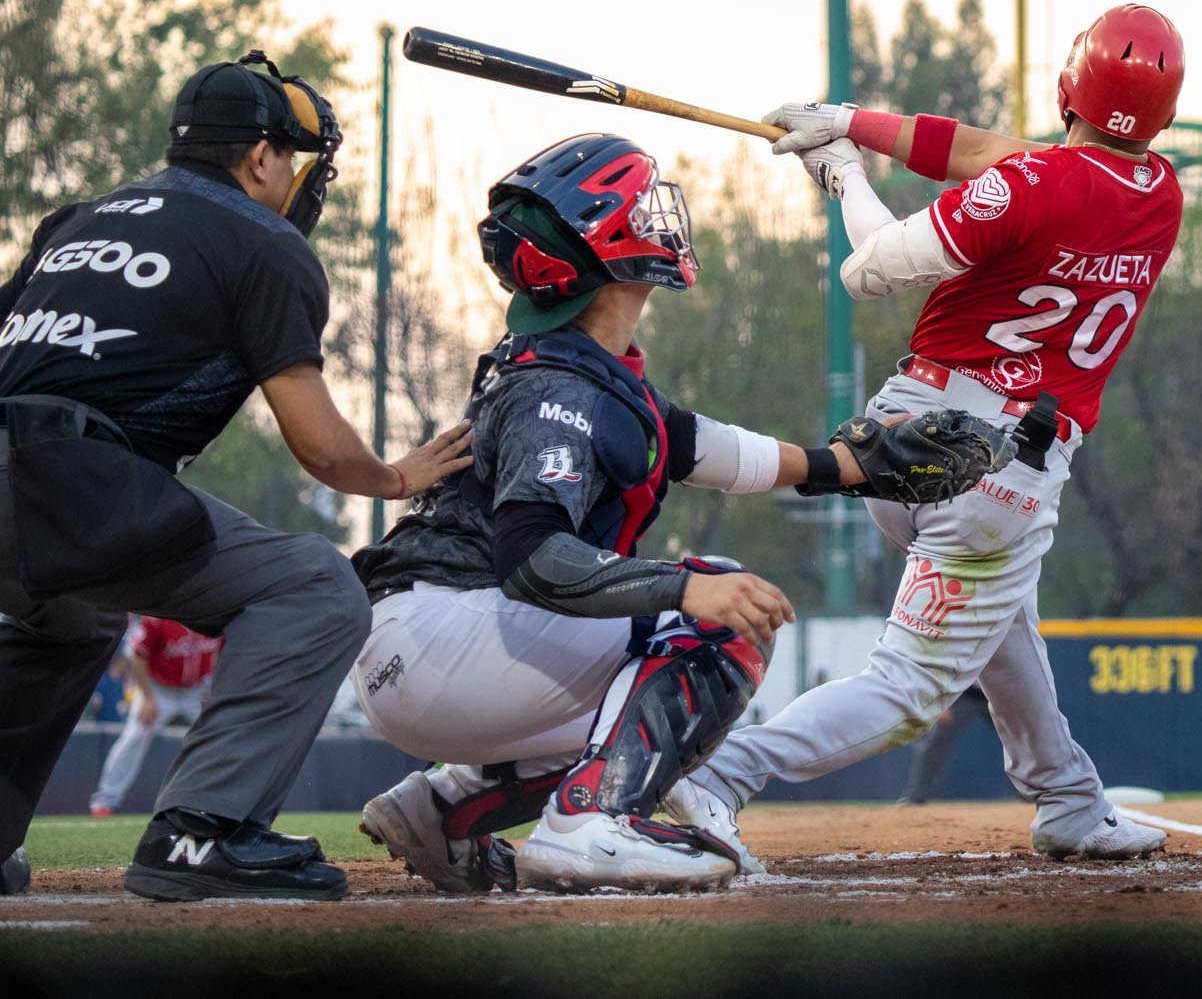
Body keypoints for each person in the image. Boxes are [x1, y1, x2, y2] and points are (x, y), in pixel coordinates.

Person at [348, 134, 1011, 895]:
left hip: (430, 648)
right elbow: (532, 559)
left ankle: (443, 806)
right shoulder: (557, 388)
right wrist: (683, 587)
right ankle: (588, 825)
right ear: (607, 246)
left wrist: (848, 467)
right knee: (720, 611)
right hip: (444, 637)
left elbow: (712, 448)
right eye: (638, 207)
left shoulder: (580, 368)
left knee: (648, 713)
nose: (657, 219)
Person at [669, 4, 1187, 868]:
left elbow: (870, 267)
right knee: (911, 687)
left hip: (904, 439)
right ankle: (719, 774)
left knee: (1002, 627)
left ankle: (1067, 798)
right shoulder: (1160, 194)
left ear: (1069, 90)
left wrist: (844, 174)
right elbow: (991, 155)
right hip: (996, 476)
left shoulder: (1031, 183)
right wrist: (847, 123)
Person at [0, 51, 473, 902]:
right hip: (64, 479)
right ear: (258, 156)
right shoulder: (263, 241)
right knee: (317, 588)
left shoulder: (79, 221)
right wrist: (395, 479)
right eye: (289, 157)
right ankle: (200, 832)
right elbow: (322, 448)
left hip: (34, 479)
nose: (292, 175)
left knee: (71, 615)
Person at [89, 617, 224, 816]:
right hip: (157, 689)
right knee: (134, 737)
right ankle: (105, 801)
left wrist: (213, 684)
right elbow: (138, 655)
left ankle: (220, 803)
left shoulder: (217, 616)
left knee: (220, 738)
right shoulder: (159, 619)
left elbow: (221, 654)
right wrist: (147, 697)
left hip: (195, 690)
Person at [897, 684, 994, 806]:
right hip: (962, 694)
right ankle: (914, 797)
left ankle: (1025, 794)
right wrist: (940, 702)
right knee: (935, 742)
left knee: (1023, 736)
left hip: (1000, 693)